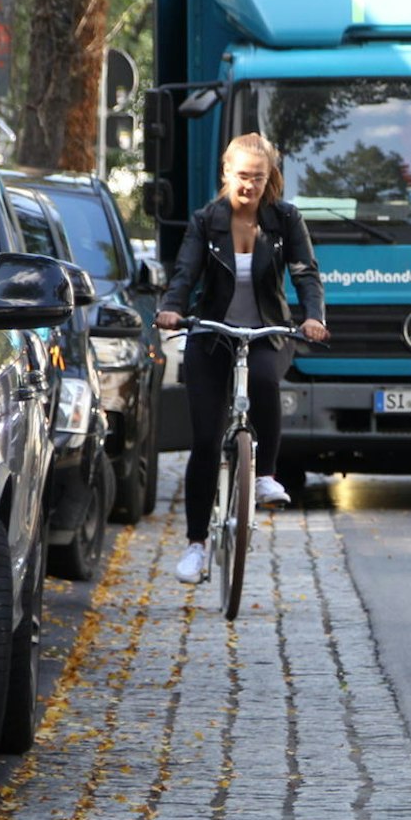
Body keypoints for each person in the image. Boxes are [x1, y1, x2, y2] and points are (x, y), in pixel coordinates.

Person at [158, 133, 330, 584]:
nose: (249, 186)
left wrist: (313, 317)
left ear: (269, 178)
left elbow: (306, 274)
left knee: (266, 382)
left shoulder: (285, 219)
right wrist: (173, 308)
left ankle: (266, 474)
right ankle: (196, 545)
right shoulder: (205, 221)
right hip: (213, 335)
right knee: (207, 440)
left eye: (258, 177)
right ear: (225, 175)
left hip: (266, 333)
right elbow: (185, 272)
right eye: (241, 176)